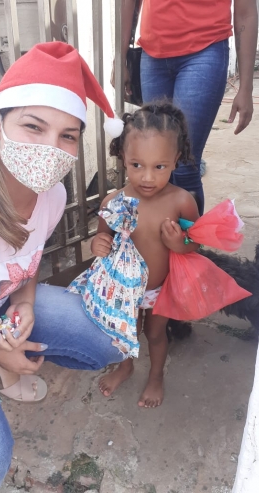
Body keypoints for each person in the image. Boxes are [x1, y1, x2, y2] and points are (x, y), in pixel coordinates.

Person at [0, 41, 125, 493]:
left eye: (67, 135)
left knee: (113, 339)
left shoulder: (53, 195)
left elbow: (30, 260)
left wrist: (26, 305)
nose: (51, 148)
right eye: (33, 127)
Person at [69, 102, 200, 408]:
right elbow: (104, 236)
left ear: (176, 160)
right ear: (123, 159)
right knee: (123, 332)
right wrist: (97, 244)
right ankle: (125, 365)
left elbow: (196, 243)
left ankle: (156, 376)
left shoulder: (183, 201)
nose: (148, 177)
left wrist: (180, 244)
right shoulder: (114, 201)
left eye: (160, 166)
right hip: (123, 290)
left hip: (160, 289)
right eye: (137, 165)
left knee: (155, 334)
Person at [118, 0, 258, 214]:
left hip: (204, 51)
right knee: (154, 160)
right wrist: (120, 59)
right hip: (152, 54)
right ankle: (157, 239)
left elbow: (246, 12)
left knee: (184, 164)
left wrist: (246, 87)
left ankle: (187, 243)